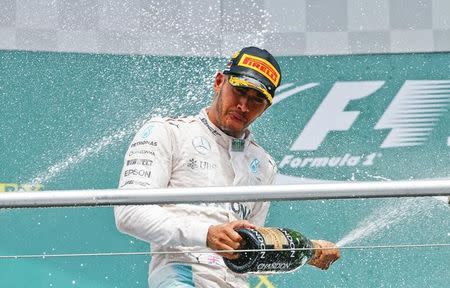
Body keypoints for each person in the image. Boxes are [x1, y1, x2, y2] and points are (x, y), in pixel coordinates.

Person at [114, 46, 340, 288]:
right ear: (219, 82)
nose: (244, 105)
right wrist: (206, 234)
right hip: (182, 275)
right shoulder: (168, 132)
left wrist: (308, 251)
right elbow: (129, 212)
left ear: (266, 107)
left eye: (257, 99)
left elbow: (252, 252)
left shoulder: (264, 165)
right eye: (239, 91)